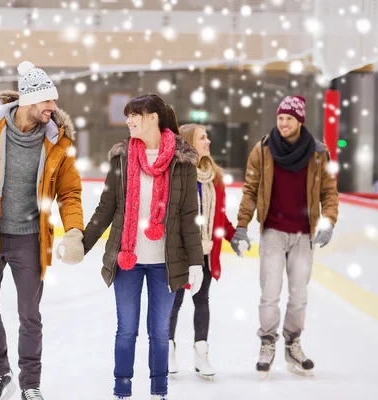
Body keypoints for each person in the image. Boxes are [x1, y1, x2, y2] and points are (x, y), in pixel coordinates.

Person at [0, 60, 85, 400]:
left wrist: (74, 230)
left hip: (30, 240)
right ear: (27, 101)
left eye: (54, 101)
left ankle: (30, 383)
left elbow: (70, 192)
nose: (53, 107)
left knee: (29, 315)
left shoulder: (57, 141)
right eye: (46, 101)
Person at [78, 94, 204, 400]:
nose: (129, 120)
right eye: (128, 115)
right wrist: (83, 243)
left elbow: (189, 215)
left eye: (135, 114)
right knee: (127, 329)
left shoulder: (182, 160)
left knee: (160, 332)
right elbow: (106, 208)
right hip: (127, 259)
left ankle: (158, 390)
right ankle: (122, 389)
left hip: (166, 260)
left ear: (153, 118)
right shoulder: (121, 157)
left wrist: (196, 261)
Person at [234, 95, 339, 378]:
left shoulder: (318, 152)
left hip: (303, 235)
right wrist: (242, 225)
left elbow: (329, 192)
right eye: (280, 118)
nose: (283, 123)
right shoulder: (263, 150)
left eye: (289, 119)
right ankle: (267, 344)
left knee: (299, 296)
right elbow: (250, 190)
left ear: (299, 121)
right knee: (269, 295)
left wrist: (327, 222)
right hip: (273, 233)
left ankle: (293, 344)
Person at [167, 124, 250, 377]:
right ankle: (167, 351)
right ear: (190, 141)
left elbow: (219, 219)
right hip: (181, 252)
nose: (209, 141)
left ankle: (201, 353)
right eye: (203, 137)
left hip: (206, 252)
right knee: (175, 301)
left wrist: (235, 237)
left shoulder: (215, 178)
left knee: (202, 301)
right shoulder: (178, 174)